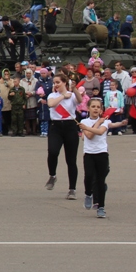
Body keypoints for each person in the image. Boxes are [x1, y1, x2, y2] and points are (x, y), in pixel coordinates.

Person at [45, 72, 82, 200]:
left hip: (70, 127)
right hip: (56, 127)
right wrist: (62, 95)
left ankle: (72, 189)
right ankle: (52, 175)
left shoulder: (71, 96)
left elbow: (80, 101)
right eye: (54, 83)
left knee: (71, 160)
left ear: (64, 83)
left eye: (58, 82)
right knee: (53, 151)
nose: (55, 85)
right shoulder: (52, 95)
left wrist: (74, 89)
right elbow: (51, 104)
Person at [77, 97, 115, 219]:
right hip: (89, 154)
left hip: (102, 153)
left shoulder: (104, 122)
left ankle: (101, 207)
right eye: (93, 106)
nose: (96, 109)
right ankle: (88, 194)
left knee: (100, 180)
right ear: (88, 108)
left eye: (98, 107)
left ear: (101, 110)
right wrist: (87, 127)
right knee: (88, 177)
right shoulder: (85, 121)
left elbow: (99, 132)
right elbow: (88, 136)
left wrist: (96, 124)